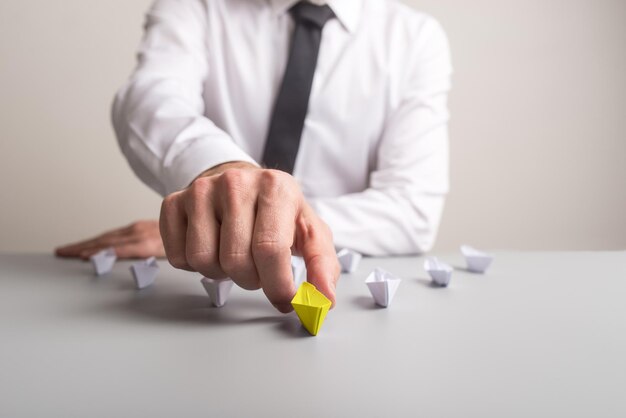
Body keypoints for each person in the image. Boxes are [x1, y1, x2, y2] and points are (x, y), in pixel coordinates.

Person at [57, 0, 452, 313]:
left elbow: (411, 210)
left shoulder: (415, 38)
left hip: (344, 290)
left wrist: (236, 225)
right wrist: (221, 170)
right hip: (201, 287)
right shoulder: (198, 6)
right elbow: (147, 99)